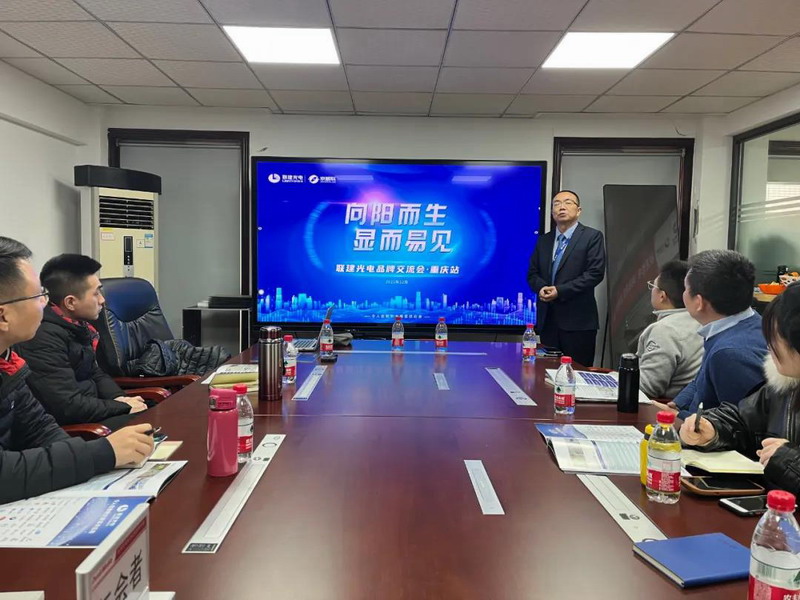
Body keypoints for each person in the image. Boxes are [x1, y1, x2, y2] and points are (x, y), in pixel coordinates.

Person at [0, 237, 153, 504]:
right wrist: (102, 453)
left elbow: (39, 428)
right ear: (3, 316)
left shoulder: (8, 360)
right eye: (38, 296)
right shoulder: (42, 339)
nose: (45, 304)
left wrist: (87, 471)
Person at [680, 283, 800, 495]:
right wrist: (712, 429)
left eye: (775, 337)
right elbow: (744, 420)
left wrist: (789, 461)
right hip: (768, 505)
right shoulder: (785, 384)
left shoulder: (730, 352)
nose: (769, 346)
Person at [17, 254, 147, 428]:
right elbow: (67, 406)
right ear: (70, 302)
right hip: (75, 426)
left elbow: (95, 373)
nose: (102, 300)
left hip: (93, 411)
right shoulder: (43, 338)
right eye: (96, 293)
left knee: (156, 412)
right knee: (151, 423)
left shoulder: (77, 325)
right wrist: (122, 407)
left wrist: (120, 398)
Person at [670, 250, 768, 419]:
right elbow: (701, 379)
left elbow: (739, 424)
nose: (683, 294)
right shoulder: (746, 322)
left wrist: (679, 416)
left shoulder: (730, 354)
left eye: (685, 289)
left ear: (699, 302)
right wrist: (678, 404)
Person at [527, 190, 605, 366]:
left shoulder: (591, 237)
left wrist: (559, 291)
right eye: (557, 203)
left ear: (579, 210)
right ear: (552, 212)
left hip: (578, 323)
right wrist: (541, 288)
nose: (562, 207)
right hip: (548, 322)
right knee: (546, 374)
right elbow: (532, 273)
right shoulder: (544, 241)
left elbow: (595, 273)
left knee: (577, 374)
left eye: (568, 202)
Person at [637, 260, 704, 399]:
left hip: (665, 406)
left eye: (652, 286)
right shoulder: (701, 319)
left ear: (662, 296)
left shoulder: (664, 330)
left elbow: (646, 387)